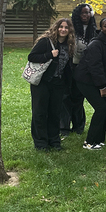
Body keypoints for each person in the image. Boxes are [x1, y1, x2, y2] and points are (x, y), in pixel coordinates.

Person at [28, 18, 75, 151]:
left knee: (55, 113)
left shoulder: (69, 45)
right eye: (61, 27)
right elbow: (32, 57)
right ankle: (41, 143)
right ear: (56, 28)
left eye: (66, 27)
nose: (63, 30)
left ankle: (54, 140)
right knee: (40, 112)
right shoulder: (46, 42)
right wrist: (49, 55)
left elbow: (67, 66)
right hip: (42, 82)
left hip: (58, 83)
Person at [74, 16, 106, 150]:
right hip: (86, 80)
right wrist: (101, 87)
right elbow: (95, 67)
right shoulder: (96, 44)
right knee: (101, 108)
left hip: (99, 80)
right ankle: (89, 142)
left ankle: (99, 139)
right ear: (101, 28)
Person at [61, 3, 95, 136]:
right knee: (66, 97)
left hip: (84, 69)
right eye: (82, 13)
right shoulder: (72, 29)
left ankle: (78, 126)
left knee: (79, 97)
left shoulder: (93, 29)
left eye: (87, 12)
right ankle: (64, 127)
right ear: (77, 14)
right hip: (69, 66)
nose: (85, 15)